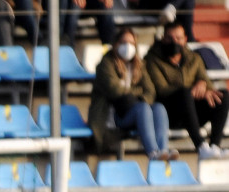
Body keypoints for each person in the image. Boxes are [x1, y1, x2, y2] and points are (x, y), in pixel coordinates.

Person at [89, 27, 179, 161]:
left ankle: (163, 150)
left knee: (158, 108)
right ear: (116, 44)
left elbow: (150, 91)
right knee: (142, 108)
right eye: (124, 42)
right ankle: (153, 153)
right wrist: (138, 93)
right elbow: (115, 90)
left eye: (131, 43)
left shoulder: (139, 65)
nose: (128, 46)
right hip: (112, 116)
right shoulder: (105, 64)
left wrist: (136, 96)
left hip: (133, 112)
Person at [145, 22, 229, 160]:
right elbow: (161, 89)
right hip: (170, 112)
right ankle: (201, 147)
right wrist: (191, 91)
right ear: (163, 38)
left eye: (178, 38)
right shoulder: (151, 60)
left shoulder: (193, 58)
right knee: (183, 93)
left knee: (222, 96)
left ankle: (214, 146)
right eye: (170, 38)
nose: (174, 42)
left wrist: (204, 87)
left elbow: (204, 80)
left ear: (185, 39)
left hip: (193, 112)